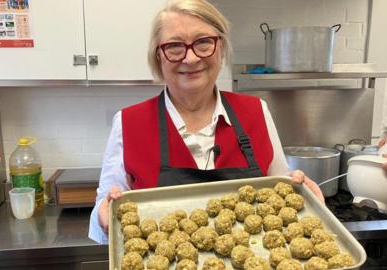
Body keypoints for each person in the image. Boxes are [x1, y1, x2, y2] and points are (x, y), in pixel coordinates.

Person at [88, 0, 323, 244]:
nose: (190, 58)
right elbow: (103, 215)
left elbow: (280, 196)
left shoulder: (256, 112)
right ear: (159, 55)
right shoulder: (128, 123)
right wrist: (105, 218)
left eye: (203, 42)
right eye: (175, 46)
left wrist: (303, 197)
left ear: (220, 47)